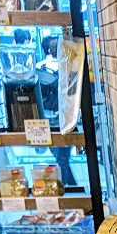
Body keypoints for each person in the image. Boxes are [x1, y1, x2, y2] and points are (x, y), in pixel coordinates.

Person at [36, 34, 79, 187]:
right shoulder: (65, 68)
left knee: (62, 157)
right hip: (64, 117)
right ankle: (65, 189)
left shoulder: (38, 67)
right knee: (63, 157)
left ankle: (72, 187)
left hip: (45, 119)